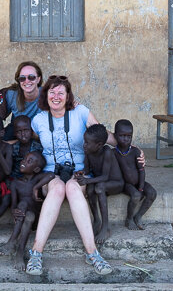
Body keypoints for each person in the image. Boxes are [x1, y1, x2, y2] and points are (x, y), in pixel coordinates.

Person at [25, 75, 115, 276]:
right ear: (45, 94)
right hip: (51, 172)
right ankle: (36, 253)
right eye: (52, 92)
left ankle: (93, 253)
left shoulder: (80, 112)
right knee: (57, 189)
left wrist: (129, 147)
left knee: (73, 188)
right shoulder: (38, 120)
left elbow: (102, 134)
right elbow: (21, 138)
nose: (56, 96)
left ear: (68, 96)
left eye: (61, 92)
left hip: (79, 169)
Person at [0, 151, 54, 271]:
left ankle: (13, 243)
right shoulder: (15, 183)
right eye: (24, 159)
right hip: (23, 218)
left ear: (36, 169)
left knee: (28, 211)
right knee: (24, 208)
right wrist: (14, 211)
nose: (23, 162)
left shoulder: (37, 179)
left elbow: (51, 175)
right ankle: (19, 252)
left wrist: (36, 188)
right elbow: (14, 204)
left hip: (37, 221)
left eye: (29, 161)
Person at [76, 123, 124, 244]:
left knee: (99, 187)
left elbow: (105, 176)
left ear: (99, 145)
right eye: (84, 141)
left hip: (115, 183)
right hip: (100, 181)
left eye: (87, 143)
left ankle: (105, 227)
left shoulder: (107, 152)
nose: (84, 145)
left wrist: (87, 180)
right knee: (91, 188)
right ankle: (96, 220)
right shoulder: (88, 151)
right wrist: (81, 174)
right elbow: (87, 170)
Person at [0, 61, 43, 140]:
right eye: (22, 78)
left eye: (31, 77)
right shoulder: (11, 95)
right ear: (19, 80)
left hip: (38, 133)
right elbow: (2, 114)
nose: (27, 81)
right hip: (17, 131)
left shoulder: (48, 95)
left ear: (38, 79)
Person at [113, 119, 156, 230]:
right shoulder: (113, 153)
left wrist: (141, 188)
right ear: (115, 135)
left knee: (152, 193)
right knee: (136, 196)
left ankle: (138, 216)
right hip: (126, 184)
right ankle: (129, 219)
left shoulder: (136, 152)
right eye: (122, 135)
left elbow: (141, 170)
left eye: (129, 136)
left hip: (138, 181)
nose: (126, 139)